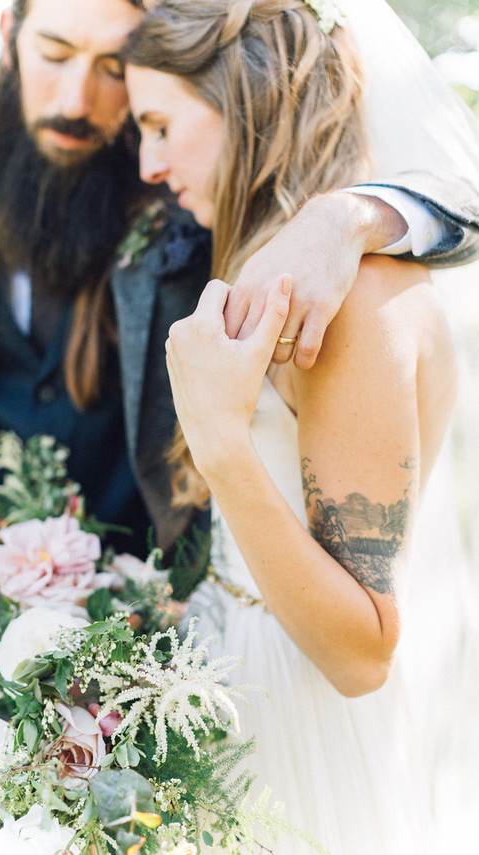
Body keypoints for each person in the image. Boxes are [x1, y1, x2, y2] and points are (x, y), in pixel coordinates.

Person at [0, 0, 478, 849]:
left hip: (191, 710)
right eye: (55, 53)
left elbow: (455, 195)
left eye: (113, 70)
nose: (79, 99)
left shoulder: (200, 222)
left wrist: (349, 216)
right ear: (7, 40)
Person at [123, 1, 477, 852]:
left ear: (245, 99)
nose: (148, 163)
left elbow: (363, 652)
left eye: (161, 124)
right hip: (240, 682)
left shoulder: (350, 299)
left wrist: (219, 441)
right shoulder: (276, 264)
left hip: (308, 738)